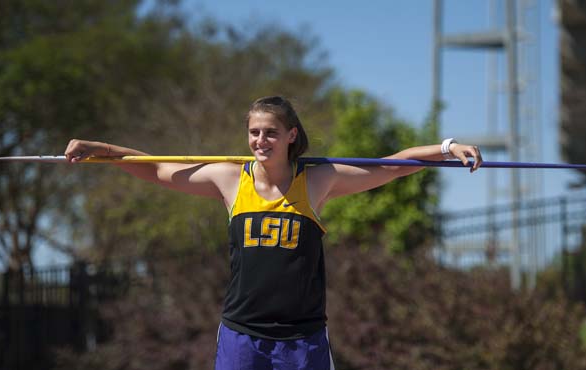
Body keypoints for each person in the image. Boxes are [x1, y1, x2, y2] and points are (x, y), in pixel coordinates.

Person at [64, 95, 482, 370]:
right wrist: (100, 150)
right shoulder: (230, 180)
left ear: (291, 136)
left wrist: (447, 149)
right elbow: (155, 167)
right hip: (242, 337)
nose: (260, 140)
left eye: (270, 132)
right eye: (254, 132)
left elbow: (393, 164)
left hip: (302, 341)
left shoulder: (318, 181)